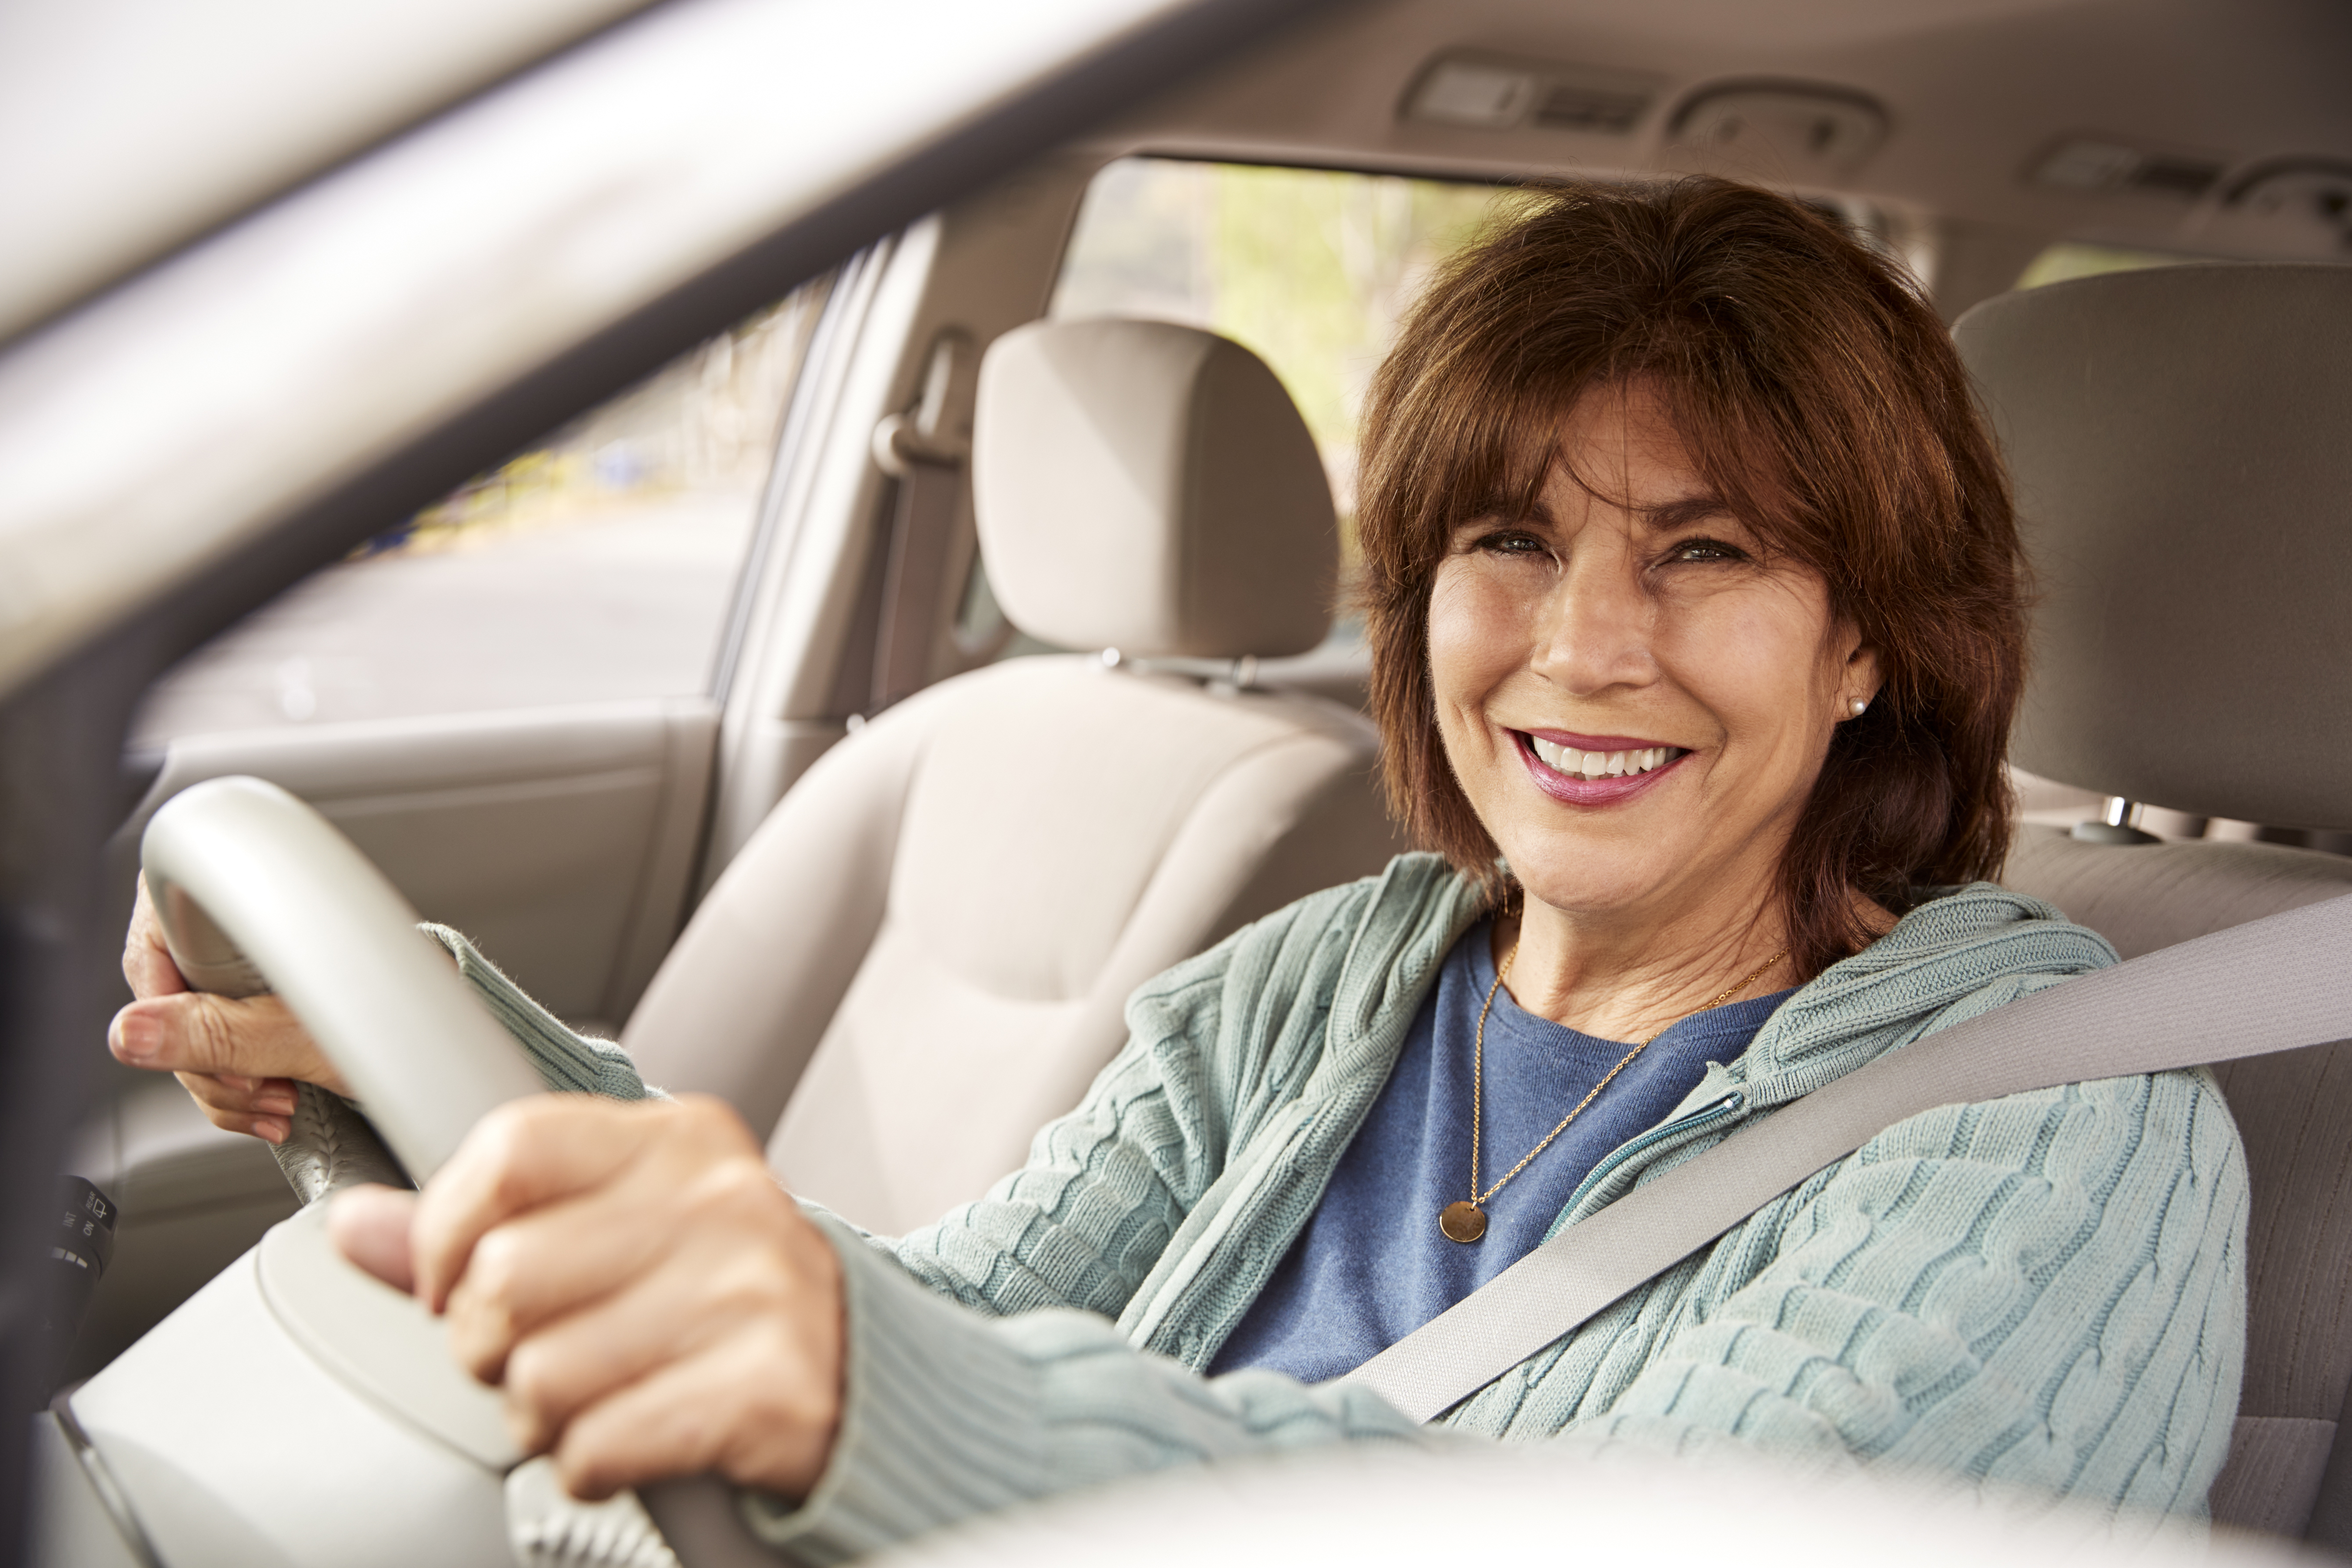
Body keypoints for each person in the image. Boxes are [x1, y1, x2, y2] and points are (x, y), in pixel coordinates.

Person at [108, 178, 2247, 1550]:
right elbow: (942, 1311)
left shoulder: (2067, 1139)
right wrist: (427, 1065)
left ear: (1867, 638)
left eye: (1705, 557)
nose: (1582, 646)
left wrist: (895, 1407)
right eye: (1507, 542)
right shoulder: (1332, 979)